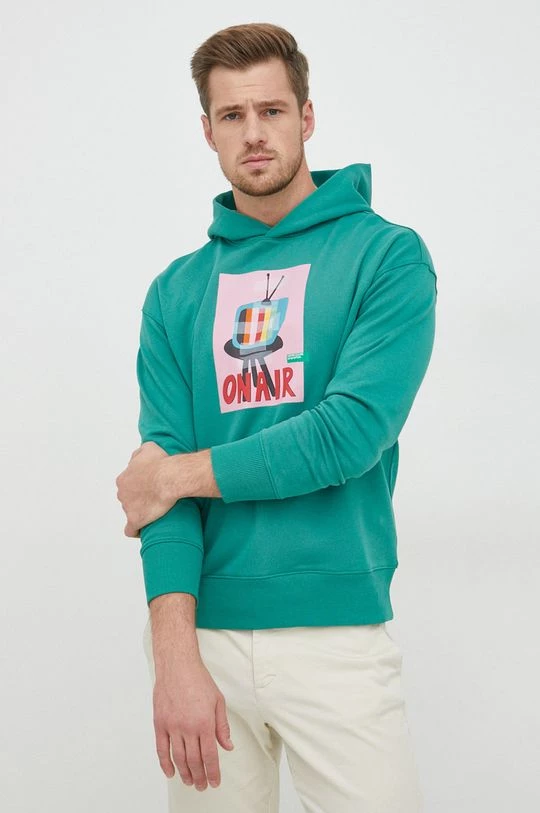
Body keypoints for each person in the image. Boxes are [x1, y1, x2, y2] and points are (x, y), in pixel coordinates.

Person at [116, 21, 437, 813]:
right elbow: (159, 496)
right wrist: (173, 656)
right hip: (205, 642)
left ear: (307, 116)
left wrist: (178, 474)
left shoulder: (385, 256)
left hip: (336, 636)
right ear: (207, 130)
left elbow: (348, 434)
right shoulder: (176, 291)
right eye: (232, 115)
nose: (254, 133)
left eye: (271, 110)